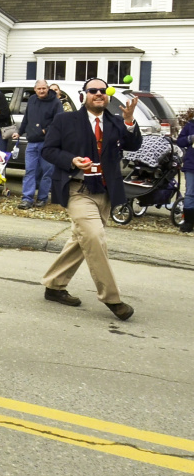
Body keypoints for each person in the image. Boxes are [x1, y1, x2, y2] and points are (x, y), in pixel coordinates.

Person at [41, 78, 141, 320]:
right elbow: (48, 150)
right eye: (93, 90)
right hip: (78, 190)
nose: (99, 94)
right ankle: (112, 299)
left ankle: (54, 285)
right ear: (83, 95)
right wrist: (72, 160)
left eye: (103, 90)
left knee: (82, 240)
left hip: (105, 193)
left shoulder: (116, 122)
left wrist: (129, 121)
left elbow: (134, 144)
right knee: (95, 237)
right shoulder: (65, 120)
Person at [15, 80, 61, 209]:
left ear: (47, 89)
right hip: (32, 143)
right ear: (35, 89)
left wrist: (45, 130)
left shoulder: (55, 102)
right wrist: (19, 132)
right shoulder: (32, 100)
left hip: (48, 144)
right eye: (39, 88)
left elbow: (59, 121)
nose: (41, 91)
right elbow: (26, 118)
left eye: (44, 88)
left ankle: (42, 198)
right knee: (30, 171)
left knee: (47, 172)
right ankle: (27, 199)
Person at [177, 116, 194, 233]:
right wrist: (190, 138)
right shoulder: (190, 125)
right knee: (190, 194)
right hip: (191, 165)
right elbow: (180, 141)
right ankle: (188, 222)